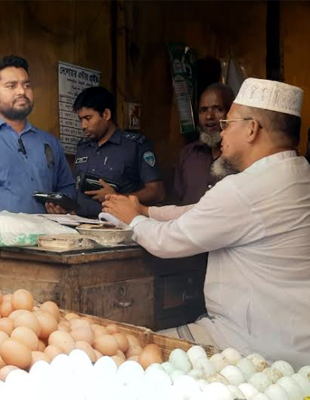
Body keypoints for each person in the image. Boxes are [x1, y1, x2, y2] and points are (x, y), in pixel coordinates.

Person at [103, 78, 310, 367]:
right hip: (296, 340)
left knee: (131, 353)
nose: (221, 131)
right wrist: (148, 212)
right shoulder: (298, 174)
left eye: (228, 123)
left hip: (253, 344)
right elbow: (205, 212)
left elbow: (169, 241)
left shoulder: (244, 189)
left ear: (251, 129)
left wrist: (133, 220)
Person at [0, 55, 76, 217]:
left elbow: (68, 188)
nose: (21, 91)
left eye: (27, 85)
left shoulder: (50, 143)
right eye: (11, 86)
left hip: (44, 240)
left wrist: (63, 205)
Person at [73, 87, 165, 218]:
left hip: (119, 229)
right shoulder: (83, 147)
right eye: (80, 119)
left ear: (106, 115)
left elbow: (156, 192)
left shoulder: (134, 146)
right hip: (81, 227)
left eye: (88, 118)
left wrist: (117, 197)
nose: (83, 125)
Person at [173, 83, 235, 205]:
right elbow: (178, 199)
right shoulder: (187, 154)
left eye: (218, 109)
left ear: (231, 113)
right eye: (203, 110)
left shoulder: (243, 155)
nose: (209, 116)